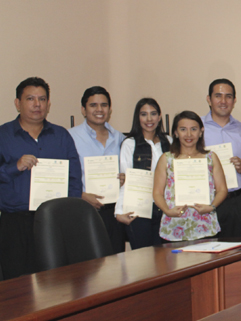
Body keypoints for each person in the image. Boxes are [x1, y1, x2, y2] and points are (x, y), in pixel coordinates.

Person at [0, 77, 82, 279]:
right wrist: (14, 167)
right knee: (18, 284)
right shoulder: (3, 135)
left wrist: (68, 213)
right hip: (15, 223)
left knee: (56, 281)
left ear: (48, 104)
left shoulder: (61, 135)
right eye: (30, 99)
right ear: (18, 103)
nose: (37, 104)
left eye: (42, 99)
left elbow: (74, 178)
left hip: (54, 220)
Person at [68, 86, 126, 253]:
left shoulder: (120, 138)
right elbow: (64, 176)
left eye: (104, 105)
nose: (99, 109)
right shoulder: (70, 137)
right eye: (93, 105)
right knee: (88, 267)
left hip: (114, 212)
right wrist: (80, 195)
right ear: (83, 110)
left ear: (109, 109)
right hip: (84, 211)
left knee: (116, 263)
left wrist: (125, 178)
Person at [153, 111, 227, 241]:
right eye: (183, 129)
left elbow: (222, 189)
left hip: (205, 224)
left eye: (193, 129)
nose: (188, 134)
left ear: (201, 131)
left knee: (207, 261)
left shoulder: (210, 158)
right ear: (175, 133)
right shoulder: (166, 159)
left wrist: (211, 207)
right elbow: (157, 192)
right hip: (174, 225)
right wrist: (167, 210)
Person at [114, 98, 172, 249]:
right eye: (144, 114)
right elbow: (125, 180)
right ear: (137, 118)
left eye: (153, 114)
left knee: (166, 259)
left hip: (166, 209)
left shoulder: (169, 142)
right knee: (143, 261)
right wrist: (119, 211)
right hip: (139, 210)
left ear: (159, 117)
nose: (149, 119)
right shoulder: (129, 144)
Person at [201, 79, 241, 238]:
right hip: (204, 200)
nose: (223, 101)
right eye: (218, 96)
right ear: (209, 99)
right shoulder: (196, 128)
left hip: (234, 202)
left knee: (236, 253)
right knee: (205, 255)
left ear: (234, 100)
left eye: (228, 96)